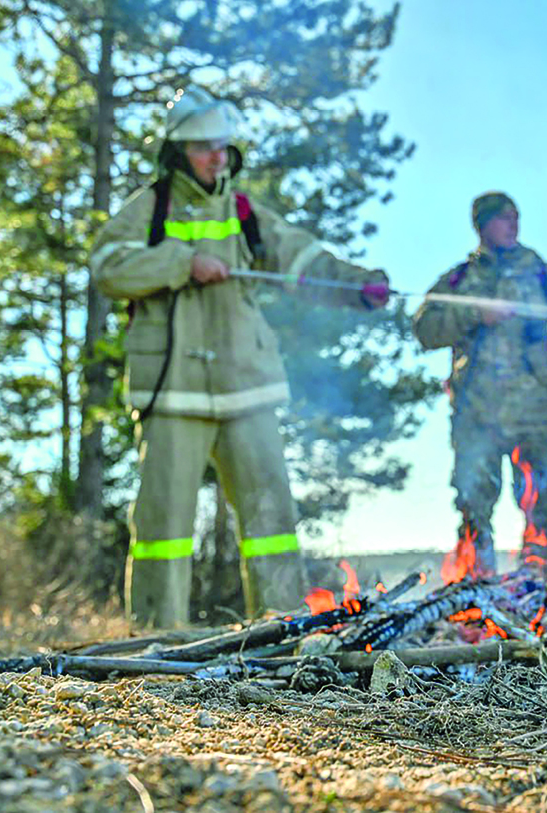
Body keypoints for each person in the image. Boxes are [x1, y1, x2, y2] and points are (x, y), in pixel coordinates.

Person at [89, 86, 390, 627]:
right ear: (179, 149)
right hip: (172, 387)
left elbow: (302, 258)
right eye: (206, 147)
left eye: (223, 146)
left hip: (247, 386)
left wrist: (355, 286)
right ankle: (159, 639)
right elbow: (109, 266)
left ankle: (281, 629)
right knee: (163, 526)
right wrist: (182, 262)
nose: (217, 157)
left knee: (271, 516)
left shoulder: (246, 212)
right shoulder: (149, 209)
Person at [412, 192, 547, 577]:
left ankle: (540, 576)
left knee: (542, 495)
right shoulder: (459, 279)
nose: (514, 225)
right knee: (474, 495)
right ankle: (477, 579)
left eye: (516, 217)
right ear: (483, 225)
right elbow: (425, 330)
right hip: (477, 409)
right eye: (505, 218)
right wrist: (475, 314)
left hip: (534, 407)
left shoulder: (539, 273)